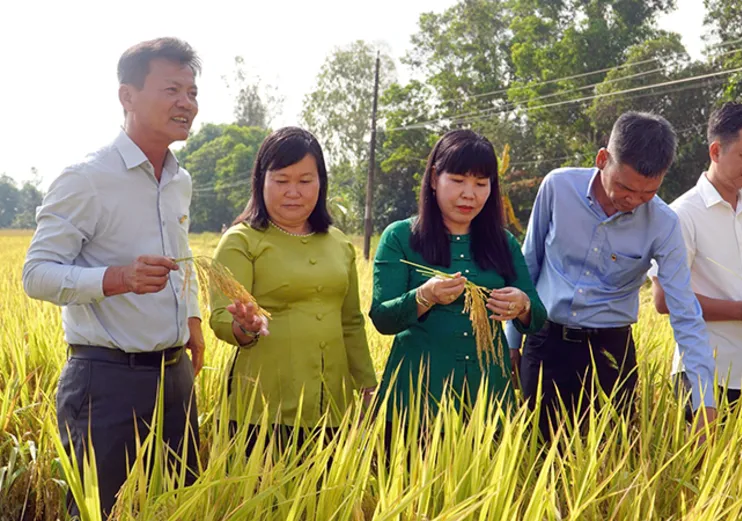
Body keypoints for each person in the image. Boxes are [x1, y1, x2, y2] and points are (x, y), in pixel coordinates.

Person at [22, 37, 204, 517]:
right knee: (97, 510)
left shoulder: (180, 180)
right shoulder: (86, 177)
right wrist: (117, 278)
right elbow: (36, 274)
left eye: (192, 91)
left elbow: (181, 257)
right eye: (172, 89)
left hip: (174, 376)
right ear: (127, 96)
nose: (186, 103)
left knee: (179, 505)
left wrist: (194, 321)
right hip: (104, 381)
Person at [504, 111, 717, 440]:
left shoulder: (663, 223)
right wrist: (512, 343)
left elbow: (685, 313)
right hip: (545, 341)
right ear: (603, 159)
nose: (632, 201)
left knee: (609, 461)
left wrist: (703, 399)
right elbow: (528, 264)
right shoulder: (558, 187)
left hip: (610, 356)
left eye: (647, 194)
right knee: (539, 458)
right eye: (624, 187)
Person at [208, 127, 377, 455]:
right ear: (261, 181)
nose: (293, 192)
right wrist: (245, 326)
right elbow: (220, 317)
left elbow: (351, 322)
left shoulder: (339, 243)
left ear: (321, 182)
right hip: (261, 407)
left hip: (332, 407)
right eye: (281, 180)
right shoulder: (242, 240)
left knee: (326, 502)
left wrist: (367, 385)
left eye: (305, 180)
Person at [369, 129, 547, 432]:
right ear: (435, 177)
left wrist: (523, 305)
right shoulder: (400, 237)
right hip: (416, 397)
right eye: (458, 180)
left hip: (488, 396)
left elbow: (538, 317)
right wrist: (424, 296)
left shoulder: (503, 243)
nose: (470, 194)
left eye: (481, 183)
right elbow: (383, 318)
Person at [649, 102, 742, 424]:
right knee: (710, 472)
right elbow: (663, 300)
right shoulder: (681, 214)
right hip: (709, 375)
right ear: (716, 150)